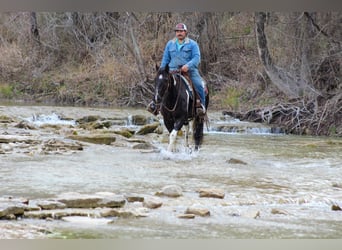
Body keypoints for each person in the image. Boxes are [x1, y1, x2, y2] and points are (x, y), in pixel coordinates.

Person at [148, 22, 206, 116]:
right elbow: (166, 59)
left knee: (199, 84)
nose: (179, 33)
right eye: (177, 31)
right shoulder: (170, 44)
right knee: (160, 83)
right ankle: (155, 105)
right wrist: (162, 71)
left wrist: (188, 66)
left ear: (185, 32)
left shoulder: (193, 44)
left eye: (181, 31)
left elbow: (196, 58)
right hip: (172, 71)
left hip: (189, 71)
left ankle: (201, 107)